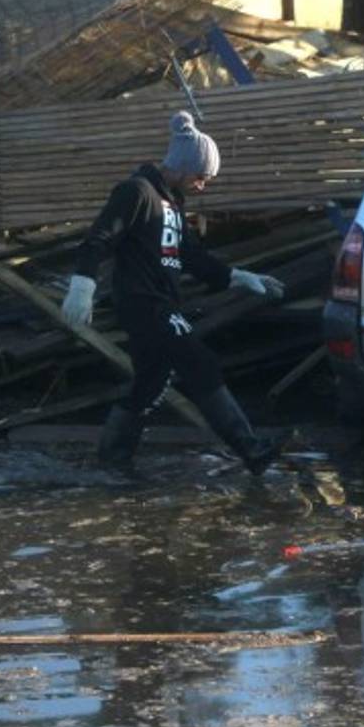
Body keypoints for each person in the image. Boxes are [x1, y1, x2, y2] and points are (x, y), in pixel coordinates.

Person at [61, 111, 287, 473]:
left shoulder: (173, 204)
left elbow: (191, 256)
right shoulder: (136, 192)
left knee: (151, 385)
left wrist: (237, 276)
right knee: (200, 362)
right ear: (182, 166)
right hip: (143, 303)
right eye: (201, 176)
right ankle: (251, 449)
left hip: (162, 302)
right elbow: (99, 237)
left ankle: (112, 461)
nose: (203, 185)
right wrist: (82, 285)